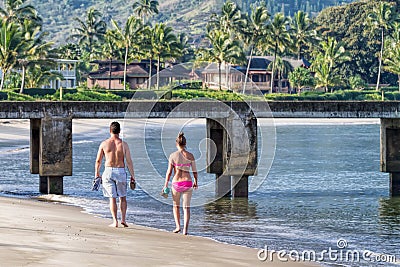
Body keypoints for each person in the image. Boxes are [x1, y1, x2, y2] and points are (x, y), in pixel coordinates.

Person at [95, 121, 135, 227]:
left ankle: (115, 221)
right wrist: (132, 176)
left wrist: (97, 173)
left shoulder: (104, 144)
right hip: (120, 170)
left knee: (112, 198)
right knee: (123, 197)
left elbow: (98, 161)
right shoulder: (124, 144)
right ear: (119, 131)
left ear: (110, 131)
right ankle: (123, 219)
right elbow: (129, 161)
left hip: (108, 171)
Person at [164, 132, 198, 235]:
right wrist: (196, 181)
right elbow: (195, 171)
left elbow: (169, 172)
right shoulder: (190, 155)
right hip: (187, 182)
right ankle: (185, 230)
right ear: (185, 143)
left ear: (176, 143)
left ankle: (178, 226)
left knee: (176, 206)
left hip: (176, 183)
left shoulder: (173, 156)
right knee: (186, 207)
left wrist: (165, 184)